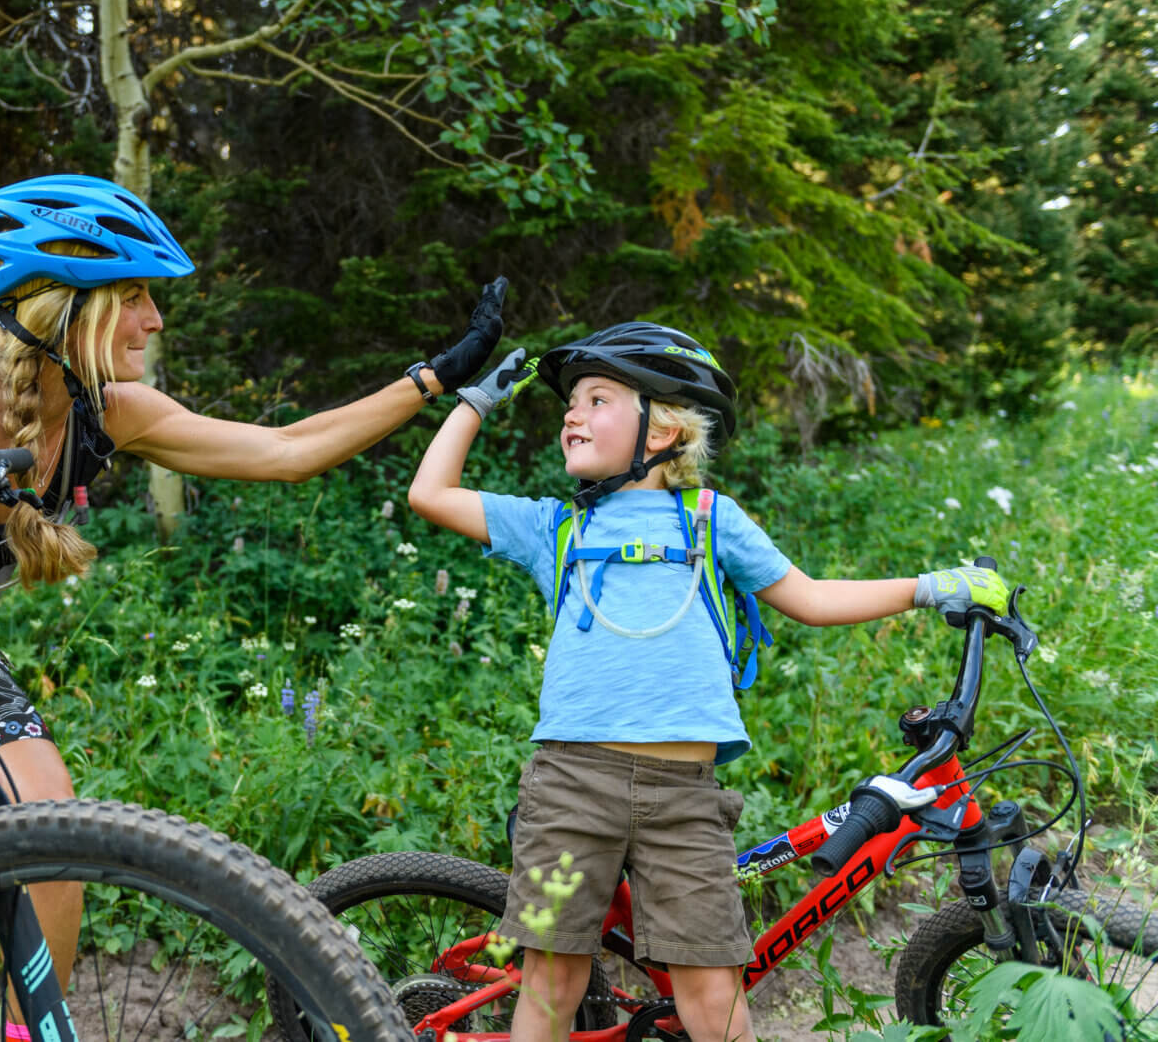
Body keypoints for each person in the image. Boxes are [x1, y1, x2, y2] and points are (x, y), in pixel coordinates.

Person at [0, 173, 508, 1041]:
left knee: (50, 833)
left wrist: (430, 378)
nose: (155, 319)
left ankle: (28, 1030)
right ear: (65, 310)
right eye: (137, 297)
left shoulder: (103, 412)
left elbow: (286, 449)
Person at [407, 322, 1008, 1042]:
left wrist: (927, 586)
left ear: (662, 430)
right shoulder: (554, 528)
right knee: (550, 982)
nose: (571, 413)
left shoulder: (710, 519)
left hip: (684, 800)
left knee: (714, 996)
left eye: (596, 398)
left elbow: (811, 598)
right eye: (570, 401)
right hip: (568, 789)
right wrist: (473, 401)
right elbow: (429, 492)